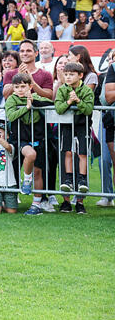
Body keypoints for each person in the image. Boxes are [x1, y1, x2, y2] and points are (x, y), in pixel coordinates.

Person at [5, 73, 53, 216]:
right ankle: (26, 179)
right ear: (13, 88)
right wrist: (26, 108)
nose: (20, 90)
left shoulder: (35, 97)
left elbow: (52, 103)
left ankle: (36, 205)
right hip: (21, 138)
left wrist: (34, 103)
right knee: (30, 154)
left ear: (30, 87)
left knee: (38, 172)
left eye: (23, 87)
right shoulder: (11, 100)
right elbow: (11, 116)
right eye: (17, 87)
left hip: (38, 137)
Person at [54, 61, 93, 215]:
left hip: (82, 126)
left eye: (72, 74)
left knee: (82, 153)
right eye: (66, 74)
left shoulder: (87, 90)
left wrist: (78, 101)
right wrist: (69, 101)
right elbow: (58, 107)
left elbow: (88, 109)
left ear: (80, 75)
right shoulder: (62, 90)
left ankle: (81, 183)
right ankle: (68, 181)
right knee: (68, 152)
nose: (68, 77)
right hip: (66, 126)